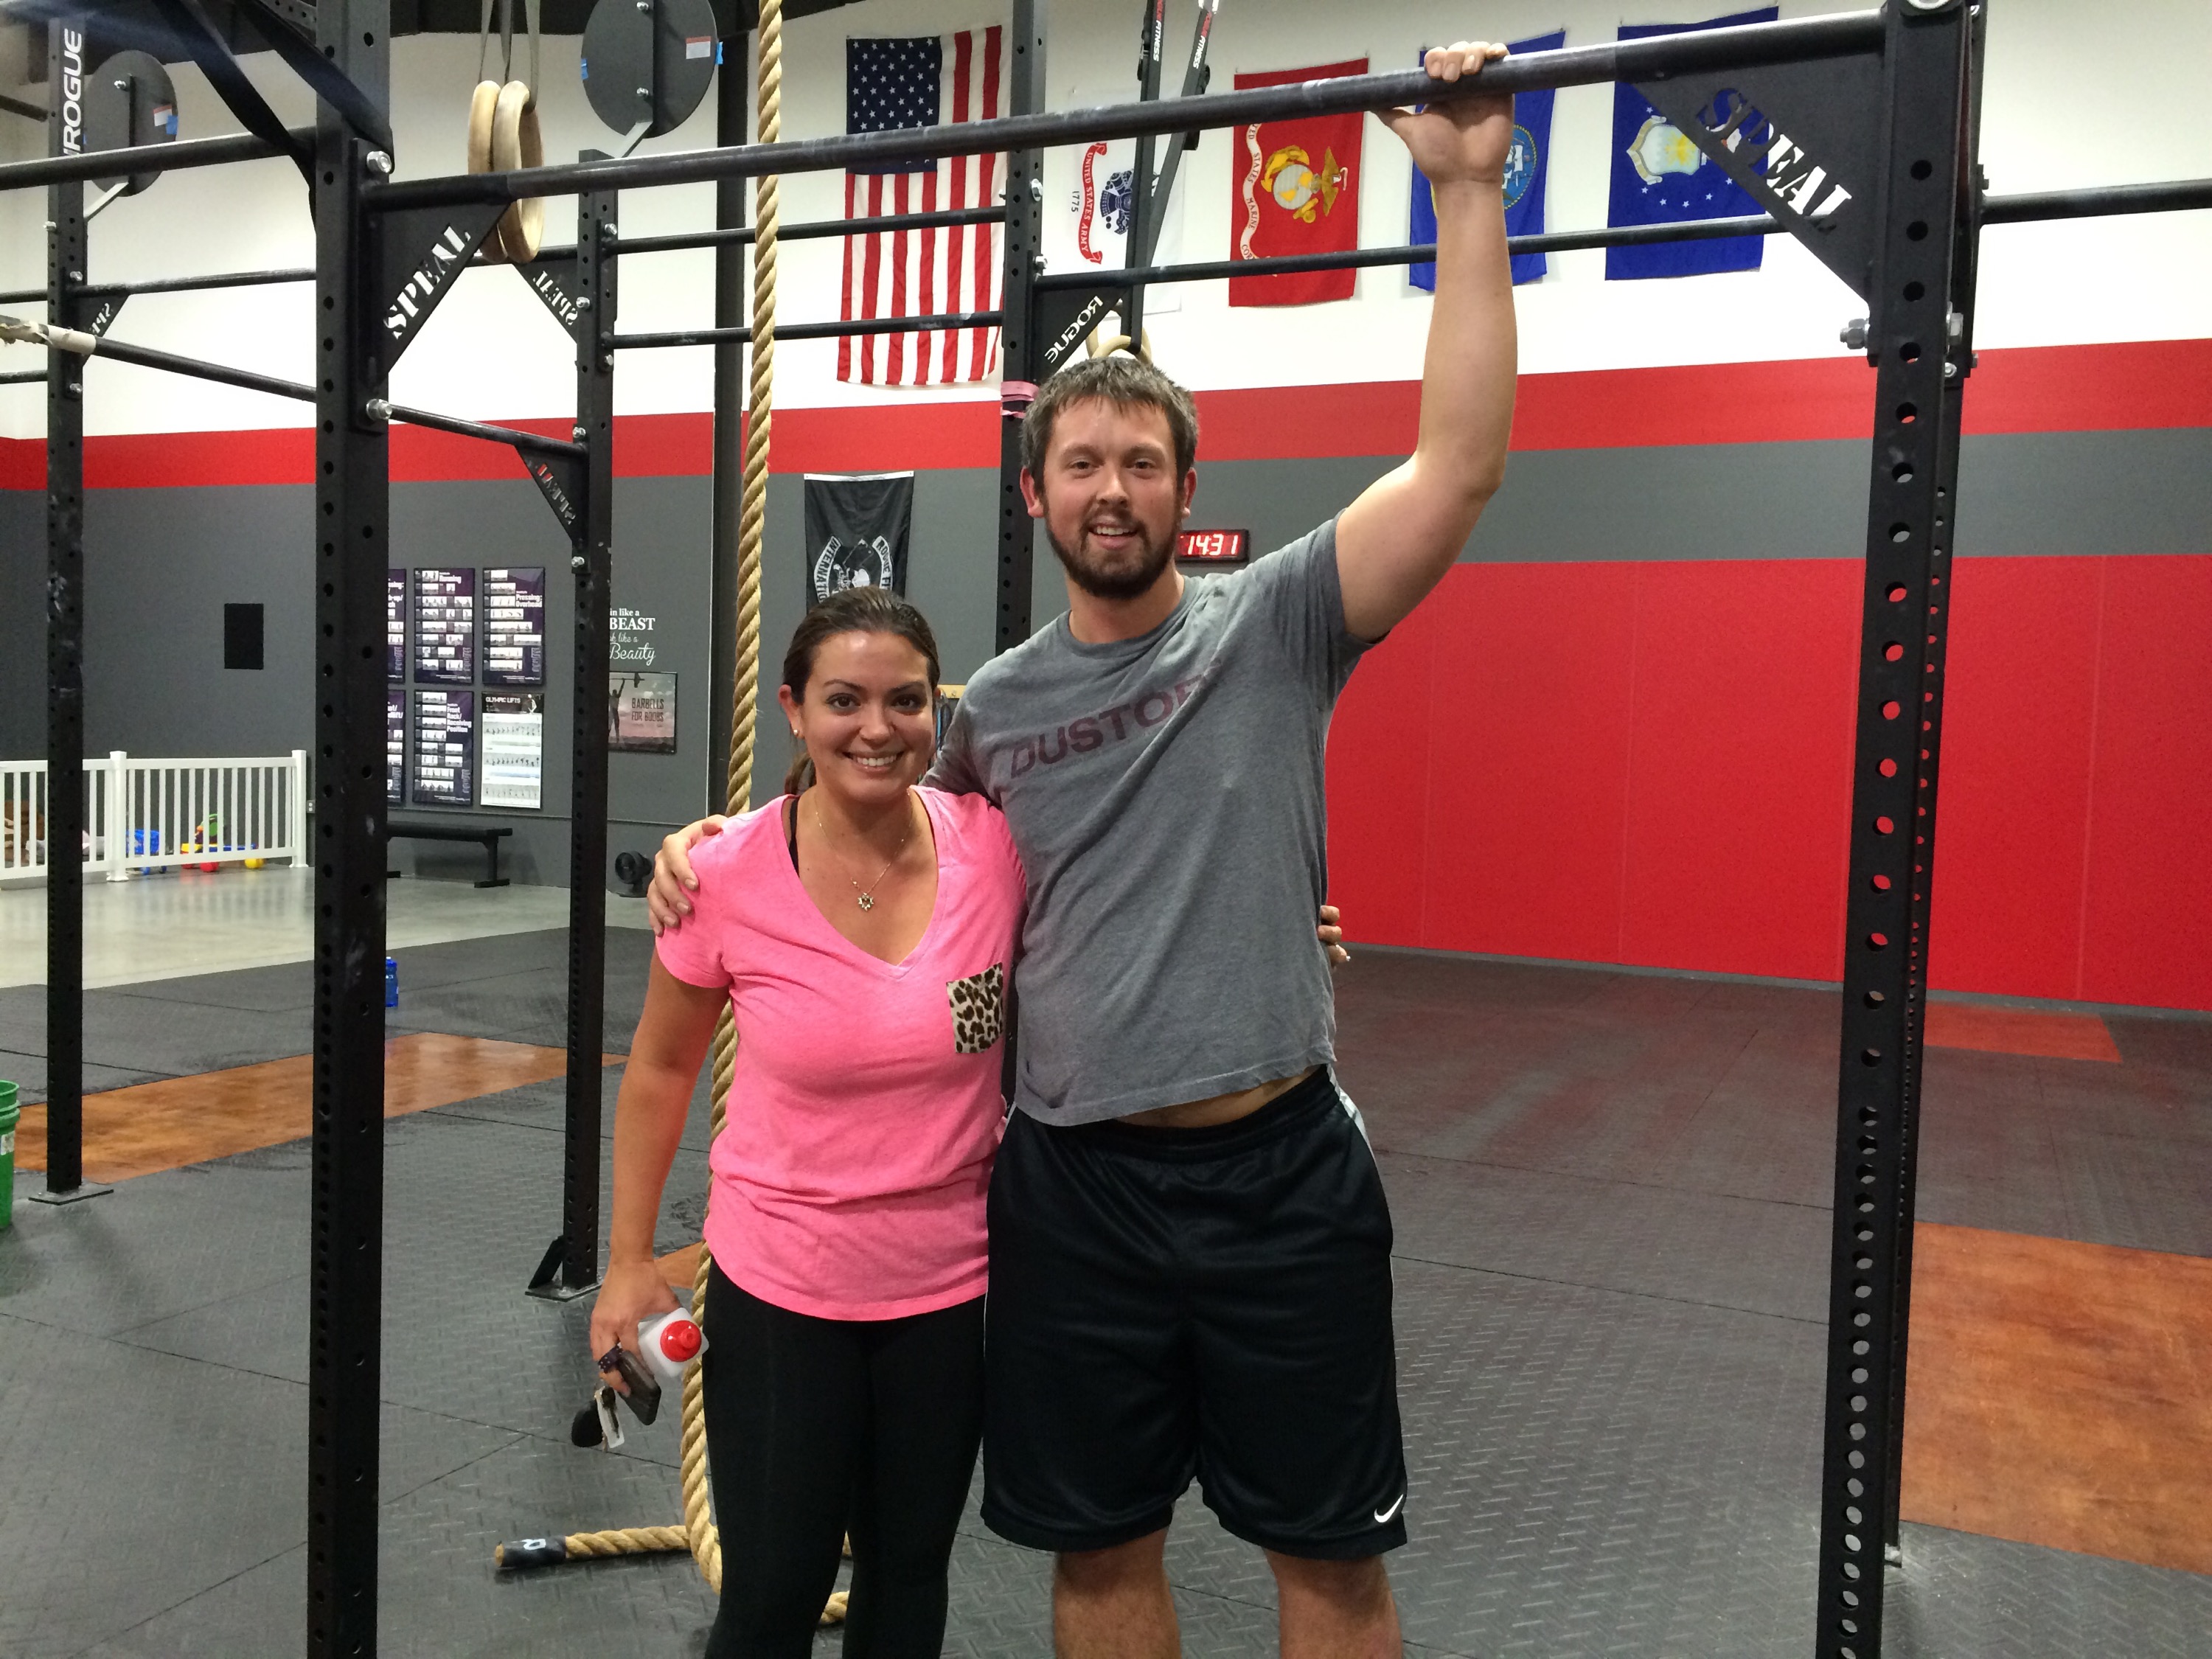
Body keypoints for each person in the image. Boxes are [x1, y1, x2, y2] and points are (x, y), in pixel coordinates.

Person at [651, 42, 1518, 1659]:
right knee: (1102, 1554)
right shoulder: (987, 714)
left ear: (1187, 487)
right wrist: (702, 844)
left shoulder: (1282, 621)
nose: (1111, 490)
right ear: (1036, 493)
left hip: (1278, 1174)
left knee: (1329, 1562)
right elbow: (858, 803)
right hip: (1071, 1194)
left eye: (1140, 463)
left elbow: (1457, 464)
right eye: (1081, 464)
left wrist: (1467, 191)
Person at [593, 589, 1348, 1657]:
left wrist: (1277, 916)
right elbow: (663, 1068)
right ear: (794, 709)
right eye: (844, 700)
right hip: (783, 1291)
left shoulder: (996, 847)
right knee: (772, 1597)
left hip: (946, 1293)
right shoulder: (720, 874)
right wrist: (630, 1262)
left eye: (906, 701)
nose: (876, 727)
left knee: (908, 1587)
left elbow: (1136, 888)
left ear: (935, 714)